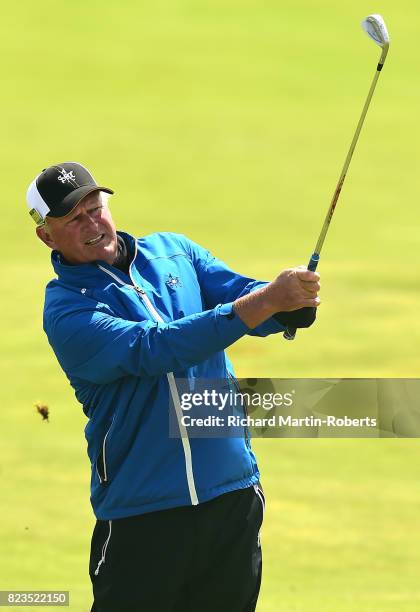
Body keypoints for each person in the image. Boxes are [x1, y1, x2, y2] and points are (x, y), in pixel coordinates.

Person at [27, 162, 321, 612]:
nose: (92, 223)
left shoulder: (173, 253)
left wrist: (290, 304)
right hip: (143, 512)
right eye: (74, 219)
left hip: (231, 495)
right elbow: (155, 349)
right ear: (47, 236)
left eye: (95, 207)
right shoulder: (66, 311)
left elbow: (239, 293)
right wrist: (267, 300)